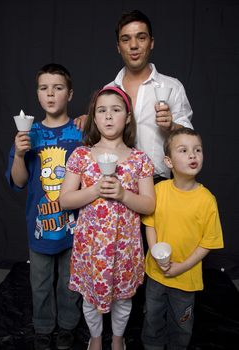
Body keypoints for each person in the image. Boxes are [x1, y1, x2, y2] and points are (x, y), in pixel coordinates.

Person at [60, 87, 156, 350]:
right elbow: (65, 200)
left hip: (124, 249)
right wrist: (93, 191)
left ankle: (116, 339)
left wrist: (124, 194)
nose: (109, 117)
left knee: (122, 299)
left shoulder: (139, 160)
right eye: (102, 111)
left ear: (127, 117)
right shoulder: (81, 155)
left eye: (116, 110)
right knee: (90, 299)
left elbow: (148, 205)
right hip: (90, 249)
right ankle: (95, 337)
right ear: (94, 117)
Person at [5, 63, 82, 350]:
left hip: (74, 224)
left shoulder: (80, 132)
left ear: (70, 94)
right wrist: (19, 155)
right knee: (39, 281)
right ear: (37, 95)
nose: (51, 94)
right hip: (39, 225)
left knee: (69, 281)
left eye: (58, 88)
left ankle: (68, 324)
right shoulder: (29, 134)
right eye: (44, 88)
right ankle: (44, 325)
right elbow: (19, 181)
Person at [76, 9, 193, 182]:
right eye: (126, 39)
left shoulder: (172, 87)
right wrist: (88, 120)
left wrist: (171, 127)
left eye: (141, 37)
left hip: (157, 181)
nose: (133, 45)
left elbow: (190, 141)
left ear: (151, 42)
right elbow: (96, 137)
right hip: (115, 179)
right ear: (118, 46)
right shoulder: (108, 90)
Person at [141, 127, 224, 350]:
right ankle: (152, 345)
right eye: (184, 150)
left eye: (197, 149)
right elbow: (150, 224)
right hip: (156, 274)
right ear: (168, 161)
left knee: (182, 321)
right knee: (152, 314)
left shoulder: (207, 200)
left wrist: (182, 267)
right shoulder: (159, 190)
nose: (192, 155)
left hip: (186, 278)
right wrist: (156, 254)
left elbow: (209, 241)